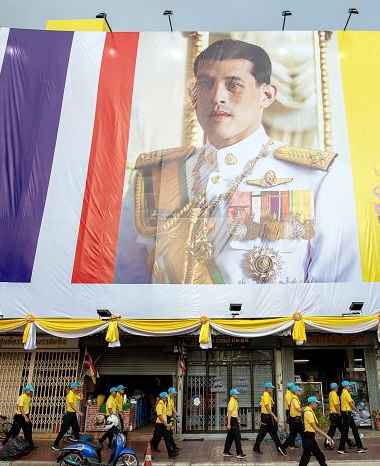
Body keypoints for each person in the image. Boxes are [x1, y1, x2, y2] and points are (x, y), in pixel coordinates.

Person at [115, 38, 358, 285]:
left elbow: (334, 296)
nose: (217, 96)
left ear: (267, 94)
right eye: (206, 83)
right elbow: (127, 282)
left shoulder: (319, 177)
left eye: (234, 85)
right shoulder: (155, 175)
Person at [295, 396, 339, 466]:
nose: (317, 405)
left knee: (319, 455)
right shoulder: (308, 413)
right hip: (308, 437)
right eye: (316, 403)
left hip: (310, 437)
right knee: (306, 457)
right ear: (312, 403)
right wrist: (326, 435)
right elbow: (314, 427)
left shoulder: (309, 411)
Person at [253, 381, 286, 455]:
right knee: (264, 434)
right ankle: (279, 448)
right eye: (271, 388)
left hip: (266, 417)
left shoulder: (266, 395)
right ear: (268, 388)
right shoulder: (266, 395)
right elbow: (267, 407)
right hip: (266, 417)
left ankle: (279, 447)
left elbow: (263, 407)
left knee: (271, 433)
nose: (272, 389)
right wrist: (274, 416)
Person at [3, 385, 37, 450]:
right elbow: (20, 408)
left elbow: (27, 407)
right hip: (20, 416)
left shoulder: (28, 397)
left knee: (28, 431)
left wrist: (26, 416)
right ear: (26, 390)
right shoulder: (21, 397)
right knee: (15, 431)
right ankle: (9, 444)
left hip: (25, 415)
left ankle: (30, 445)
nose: (31, 392)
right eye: (30, 391)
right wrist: (25, 417)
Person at [338, 380, 368, 454]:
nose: (349, 387)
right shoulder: (346, 393)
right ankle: (341, 448)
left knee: (354, 429)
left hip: (348, 414)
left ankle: (360, 447)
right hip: (347, 414)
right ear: (346, 386)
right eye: (349, 386)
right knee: (345, 432)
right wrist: (358, 412)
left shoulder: (343, 393)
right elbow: (351, 404)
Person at [53, 381, 82, 450]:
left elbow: (81, 398)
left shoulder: (74, 394)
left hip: (73, 415)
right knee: (63, 430)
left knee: (76, 429)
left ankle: (79, 444)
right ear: (73, 387)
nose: (78, 388)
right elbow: (72, 405)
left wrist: (81, 391)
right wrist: (78, 412)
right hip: (69, 415)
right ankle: (55, 444)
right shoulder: (70, 395)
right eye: (77, 387)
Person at [150, 392, 177, 458]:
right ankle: (147, 454)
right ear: (162, 397)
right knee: (154, 440)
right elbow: (159, 416)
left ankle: (170, 454)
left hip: (163, 425)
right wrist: (166, 424)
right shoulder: (160, 404)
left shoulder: (164, 403)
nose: (166, 398)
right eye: (165, 397)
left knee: (167, 438)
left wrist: (167, 424)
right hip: (159, 425)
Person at [223, 388, 245, 458]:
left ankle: (226, 452)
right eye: (236, 394)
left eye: (237, 393)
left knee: (230, 437)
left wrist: (238, 419)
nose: (237, 395)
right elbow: (229, 413)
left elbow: (235, 412)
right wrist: (229, 423)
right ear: (232, 395)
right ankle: (239, 453)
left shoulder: (235, 401)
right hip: (232, 420)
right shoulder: (232, 402)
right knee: (237, 436)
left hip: (234, 419)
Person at [325, 382, 340, 449]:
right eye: (337, 387)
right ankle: (327, 444)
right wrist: (339, 413)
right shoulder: (333, 394)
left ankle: (349, 442)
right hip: (335, 414)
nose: (337, 389)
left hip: (333, 414)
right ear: (335, 388)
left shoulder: (331, 394)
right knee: (331, 431)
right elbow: (336, 405)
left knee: (342, 429)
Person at [165, 387, 180, 453]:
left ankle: (174, 447)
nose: (174, 395)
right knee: (168, 434)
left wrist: (177, 414)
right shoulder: (166, 399)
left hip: (170, 418)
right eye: (173, 393)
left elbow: (173, 408)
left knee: (169, 434)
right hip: (166, 418)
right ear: (170, 393)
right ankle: (173, 448)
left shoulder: (171, 400)